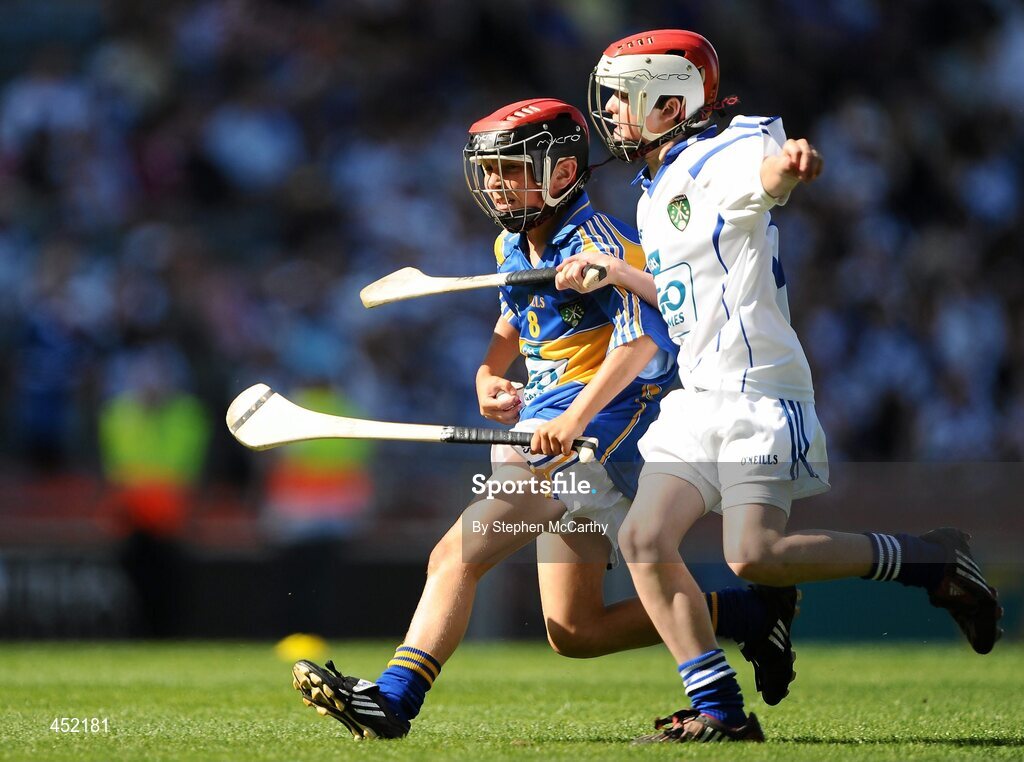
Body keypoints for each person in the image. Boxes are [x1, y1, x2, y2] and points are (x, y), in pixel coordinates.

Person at [290, 98, 800, 739]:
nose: (495, 183)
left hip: (596, 434)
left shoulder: (602, 244)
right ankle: (751, 616)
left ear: (561, 172)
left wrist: (577, 418)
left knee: (457, 553)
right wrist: (486, 376)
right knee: (574, 630)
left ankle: (393, 702)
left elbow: (648, 342)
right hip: (546, 425)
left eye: (511, 168)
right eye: (491, 170)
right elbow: (514, 319)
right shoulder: (513, 241)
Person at [555, 29, 1004, 743]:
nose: (610, 114)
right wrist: (615, 276)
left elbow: (767, 178)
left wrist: (788, 168)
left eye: (622, 99)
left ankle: (930, 557)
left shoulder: (726, 152)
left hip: (756, 392)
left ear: (672, 104)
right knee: (643, 540)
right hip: (696, 397)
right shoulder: (653, 194)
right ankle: (720, 713)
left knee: (753, 557)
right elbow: (681, 297)